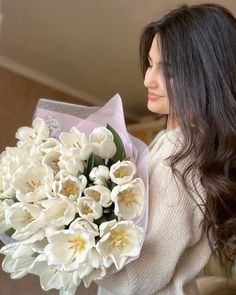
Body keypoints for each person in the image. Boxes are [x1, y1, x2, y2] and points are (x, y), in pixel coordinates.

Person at [96, 3, 236, 294]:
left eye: (168, 70)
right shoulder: (188, 145)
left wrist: (66, 252)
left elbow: (136, 281)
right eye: (149, 63)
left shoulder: (179, 154)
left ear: (208, 75)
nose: (148, 79)